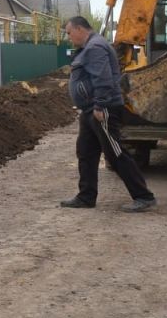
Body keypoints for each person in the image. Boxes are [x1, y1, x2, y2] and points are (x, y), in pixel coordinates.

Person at [60, 15, 157, 212]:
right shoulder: (89, 47)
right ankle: (86, 196)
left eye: (69, 33)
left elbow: (103, 79)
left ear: (80, 29)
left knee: (115, 153)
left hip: (101, 109)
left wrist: (100, 106)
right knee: (85, 152)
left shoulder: (95, 48)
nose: (69, 37)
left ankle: (144, 196)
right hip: (90, 110)